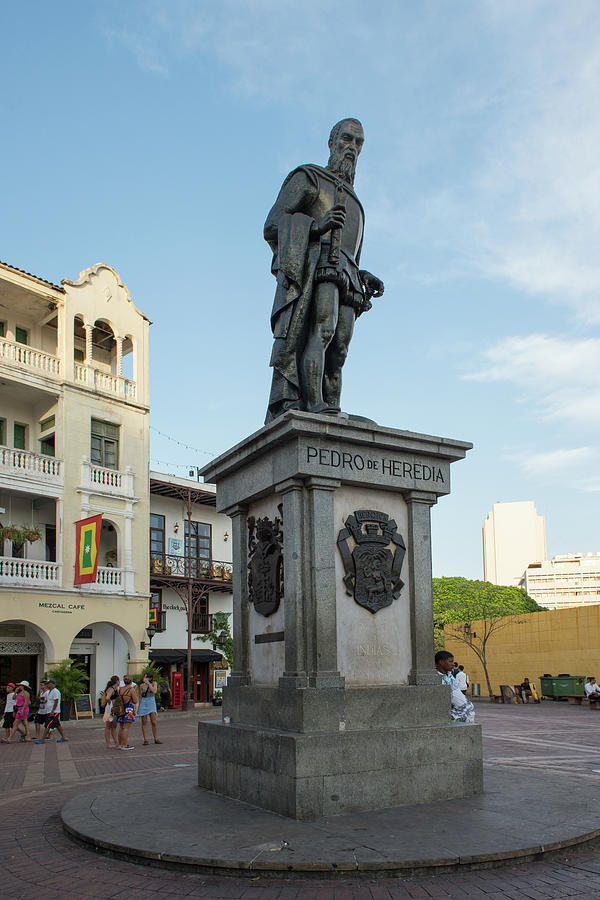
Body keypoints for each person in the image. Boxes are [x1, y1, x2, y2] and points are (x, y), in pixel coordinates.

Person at [264, 118, 384, 421]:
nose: (352, 148)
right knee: (323, 331)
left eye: (358, 142)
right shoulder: (310, 178)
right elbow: (274, 223)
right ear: (332, 142)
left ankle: (332, 407)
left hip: (348, 276)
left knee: (340, 349)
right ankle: (314, 405)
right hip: (317, 266)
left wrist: (363, 273)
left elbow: (351, 252)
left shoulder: (357, 204)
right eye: (346, 139)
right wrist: (316, 227)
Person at [435, 651, 475, 724]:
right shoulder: (436, 677)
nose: (453, 664)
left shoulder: (450, 675)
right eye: (450, 661)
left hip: (463, 708)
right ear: (441, 662)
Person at [138, 673, 162, 746]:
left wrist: (148, 683)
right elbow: (141, 696)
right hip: (144, 702)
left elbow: (154, 691)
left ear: (149, 678)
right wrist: (139, 706)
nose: (144, 678)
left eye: (145, 677)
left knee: (153, 721)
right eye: (144, 677)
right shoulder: (141, 685)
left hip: (151, 701)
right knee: (144, 722)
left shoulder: (154, 683)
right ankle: (145, 739)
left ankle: (156, 738)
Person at [117, 676, 138, 750]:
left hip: (121, 708)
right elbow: (135, 701)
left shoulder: (121, 689)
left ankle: (119, 744)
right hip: (128, 708)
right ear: (131, 682)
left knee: (121, 727)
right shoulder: (131, 689)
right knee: (126, 728)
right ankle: (124, 745)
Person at [101, 676, 120, 748]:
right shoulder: (111, 689)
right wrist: (110, 704)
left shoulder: (115, 689)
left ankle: (116, 742)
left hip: (114, 708)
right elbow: (107, 698)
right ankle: (108, 743)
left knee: (114, 726)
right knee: (108, 726)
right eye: (119, 681)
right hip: (109, 709)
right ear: (117, 681)